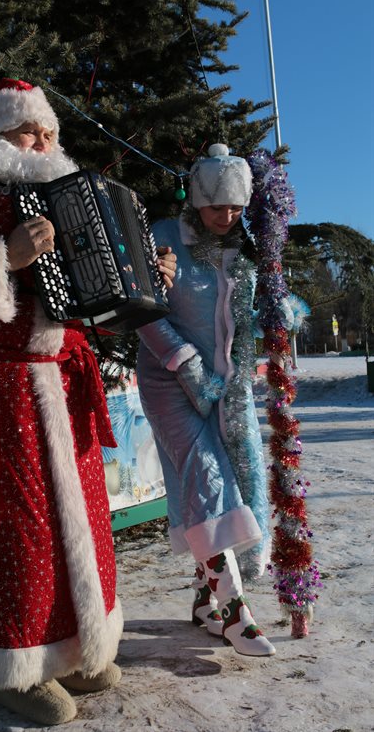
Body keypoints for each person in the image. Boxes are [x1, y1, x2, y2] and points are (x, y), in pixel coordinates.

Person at [0, 78, 176, 726]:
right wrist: (3, 256)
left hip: (66, 380)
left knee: (86, 524)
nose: (43, 141)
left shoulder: (74, 199)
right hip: (3, 386)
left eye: (48, 131)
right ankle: (20, 669)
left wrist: (144, 285)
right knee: (22, 530)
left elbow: (94, 303)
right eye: (28, 131)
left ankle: (82, 647)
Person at [136, 144, 294, 658]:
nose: (225, 216)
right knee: (206, 478)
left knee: (243, 484)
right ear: (194, 199)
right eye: (214, 206)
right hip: (169, 380)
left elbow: (247, 316)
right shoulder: (163, 238)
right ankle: (235, 614)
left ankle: (206, 602)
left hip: (230, 386)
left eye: (233, 207)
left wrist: (284, 313)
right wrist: (185, 361)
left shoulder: (248, 248)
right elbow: (139, 311)